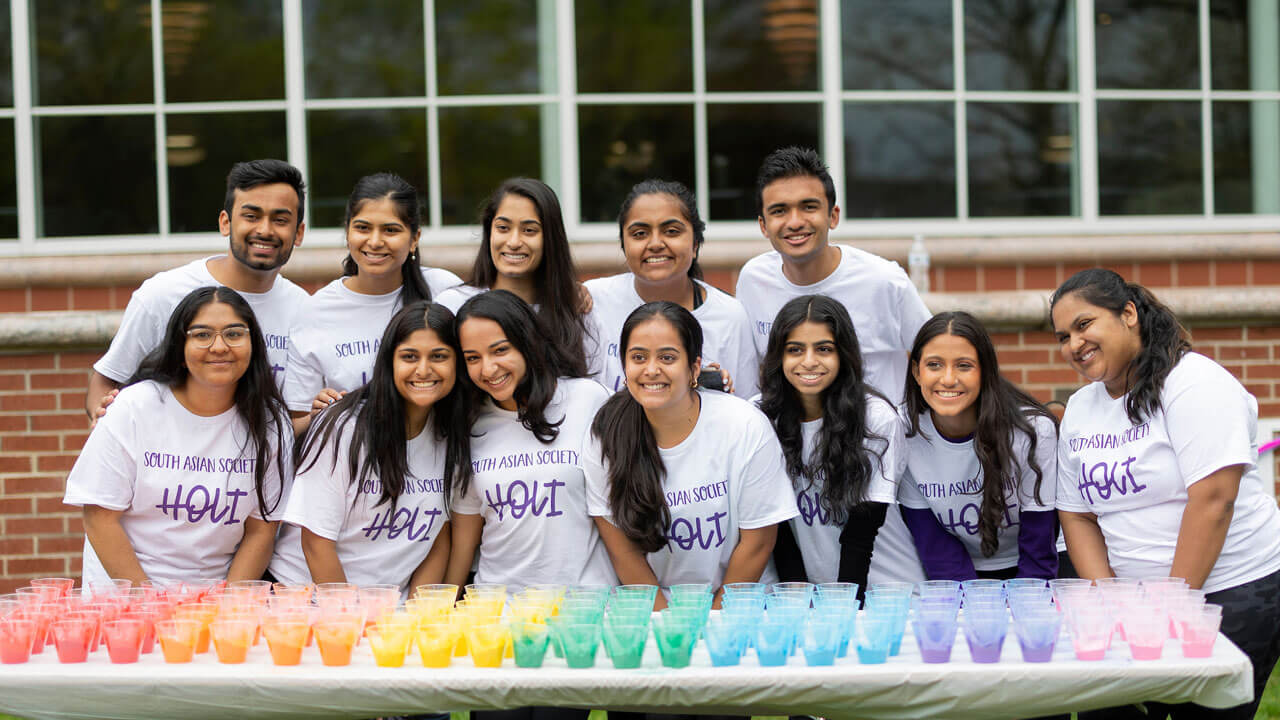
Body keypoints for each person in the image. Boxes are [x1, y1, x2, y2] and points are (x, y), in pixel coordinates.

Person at [1052, 268, 1280, 720]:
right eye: (1062, 336)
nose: (1073, 344)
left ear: (1129, 314)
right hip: (1134, 608)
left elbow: (1214, 500)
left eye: (1084, 324)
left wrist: (1168, 610)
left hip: (1230, 594)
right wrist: (1111, 601)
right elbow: (1076, 514)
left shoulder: (1194, 383)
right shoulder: (1080, 407)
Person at [735, 145, 929, 584]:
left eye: (809, 207)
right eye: (779, 211)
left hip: (878, 476)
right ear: (763, 225)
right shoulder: (753, 280)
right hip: (798, 476)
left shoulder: (884, 281)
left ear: (834, 215)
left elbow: (934, 358)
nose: (796, 221)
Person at [64, 286, 291, 586]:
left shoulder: (270, 424)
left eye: (234, 334)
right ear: (179, 349)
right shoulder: (134, 408)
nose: (220, 346)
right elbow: (99, 517)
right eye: (201, 335)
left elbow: (261, 530)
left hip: (210, 603)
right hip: (127, 597)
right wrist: (148, 605)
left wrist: (230, 608)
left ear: (253, 345)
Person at [585, 301, 797, 608]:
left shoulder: (743, 425)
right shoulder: (605, 435)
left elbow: (758, 541)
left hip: (740, 609)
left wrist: (714, 621)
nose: (651, 369)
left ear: (694, 367)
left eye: (667, 357)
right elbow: (623, 552)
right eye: (638, 357)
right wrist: (668, 626)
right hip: (656, 611)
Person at [268, 301, 469, 595]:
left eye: (438, 356)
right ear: (389, 362)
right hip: (309, 604)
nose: (423, 370)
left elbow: (437, 539)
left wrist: (415, 619)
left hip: (390, 613)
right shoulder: (344, 428)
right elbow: (315, 544)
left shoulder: (454, 433)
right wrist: (353, 623)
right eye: (409, 356)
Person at [86, 159, 309, 422]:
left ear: (299, 233)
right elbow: (106, 381)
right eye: (251, 216)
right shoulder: (163, 294)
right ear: (225, 223)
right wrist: (104, 426)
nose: (264, 230)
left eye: (280, 219)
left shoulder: (305, 311)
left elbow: (298, 413)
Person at [445, 290, 614, 597]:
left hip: (584, 611)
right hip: (499, 614)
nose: (487, 369)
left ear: (527, 342)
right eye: (472, 358)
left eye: (500, 350)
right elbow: (463, 541)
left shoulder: (588, 399)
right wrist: (444, 609)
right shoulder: (468, 426)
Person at [283, 173, 461, 432]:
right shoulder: (315, 310)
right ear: (347, 232)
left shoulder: (446, 292)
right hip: (355, 468)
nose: (375, 242)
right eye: (363, 228)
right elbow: (295, 426)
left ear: (414, 238)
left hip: (439, 463)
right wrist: (318, 415)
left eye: (390, 230)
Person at [756, 295, 904, 595]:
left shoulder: (876, 419)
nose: (809, 361)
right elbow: (777, 530)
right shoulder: (758, 418)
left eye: (824, 349)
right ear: (778, 356)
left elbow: (861, 535)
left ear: (843, 354)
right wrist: (798, 597)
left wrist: (843, 607)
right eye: (795, 350)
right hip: (797, 591)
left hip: (877, 589)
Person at [899, 311, 1058, 581]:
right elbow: (935, 546)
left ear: (985, 371)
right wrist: (974, 607)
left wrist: (1023, 605)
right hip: (957, 572)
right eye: (934, 365)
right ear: (916, 371)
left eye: (964, 365)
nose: (948, 379)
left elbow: (1039, 542)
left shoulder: (1032, 430)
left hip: (1034, 563)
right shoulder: (904, 432)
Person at [585, 179, 757, 397]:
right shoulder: (593, 302)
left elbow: (746, 405)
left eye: (672, 231)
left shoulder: (730, 317)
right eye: (640, 233)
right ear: (623, 244)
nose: (655, 243)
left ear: (695, 244)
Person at [434, 178, 598, 378]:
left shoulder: (576, 310)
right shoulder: (454, 304)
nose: (513, 242)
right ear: (489, 232)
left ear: (550, 239)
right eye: (503, 228)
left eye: (529, 230)